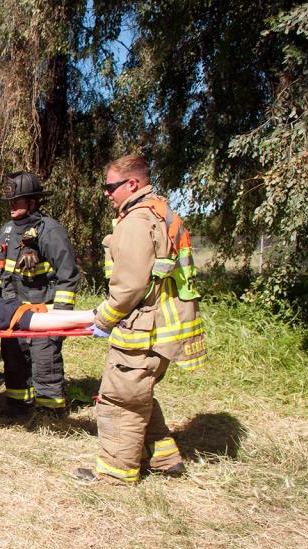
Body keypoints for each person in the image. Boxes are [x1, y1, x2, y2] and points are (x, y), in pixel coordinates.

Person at [71, 155, 208, 485]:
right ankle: (164, 457)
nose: (106, 193)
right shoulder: (161, 213)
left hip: (144, 327)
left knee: (120, 399)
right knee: (137, 393)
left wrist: (104, 318)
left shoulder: (136, 221)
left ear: (132, 184)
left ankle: (116, 474)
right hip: (162, 327)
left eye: (110, 186)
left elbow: (130, 285)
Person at [0, 171, 81, 415]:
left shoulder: (50, 231)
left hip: (43, 312)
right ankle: (18, 404)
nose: (11, 207)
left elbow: (67, 276)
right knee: (14, 358)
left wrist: (60, 316)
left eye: (17, 201)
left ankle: (50, 410)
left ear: (33, 202)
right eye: (10, 202)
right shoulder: (7, 231)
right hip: (13, 312)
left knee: (45, 359)